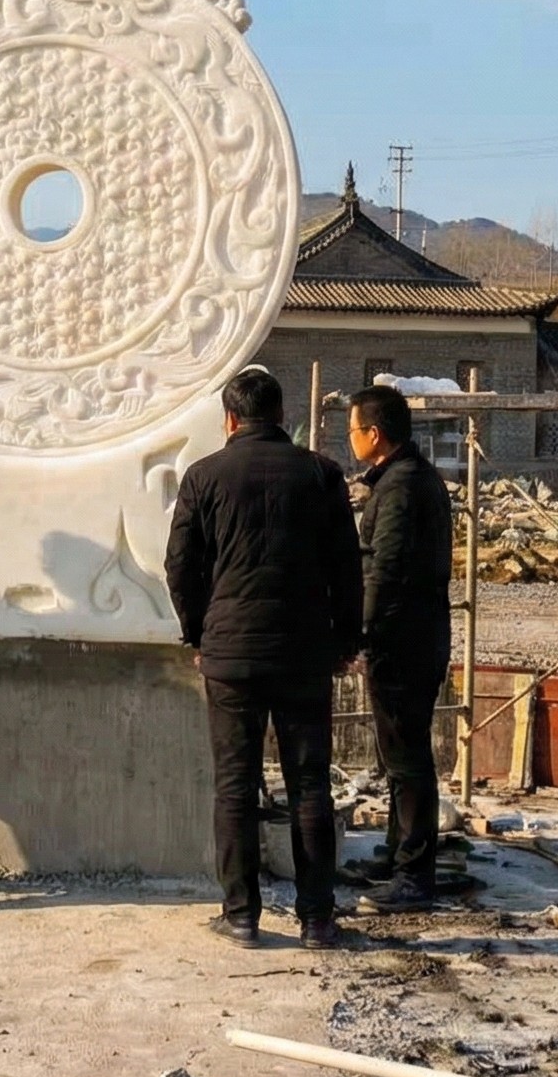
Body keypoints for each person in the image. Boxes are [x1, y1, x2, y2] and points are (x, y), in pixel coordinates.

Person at [165, 364, 363, 950]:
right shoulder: (322, 476)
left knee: (235, 785)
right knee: (309, 785)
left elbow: (179, 565)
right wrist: (344, 642)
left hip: (231, 656)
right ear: (282, 416)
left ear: (229, 419)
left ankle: (242, 915)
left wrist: (199, 632)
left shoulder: (204, 477)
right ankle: (317, 918)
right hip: (304, 654)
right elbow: (348, 569)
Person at [341, 383, 454, 913]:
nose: (351, 441)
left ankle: (415, 875)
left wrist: (359, 635)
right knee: (396, 754)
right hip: (411, 634)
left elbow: (382, 571)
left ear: (375, 434)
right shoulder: (404, 479)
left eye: (353, 431)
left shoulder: (403, 488)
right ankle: (395, 851)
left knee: (407, 758)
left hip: (404, 639)